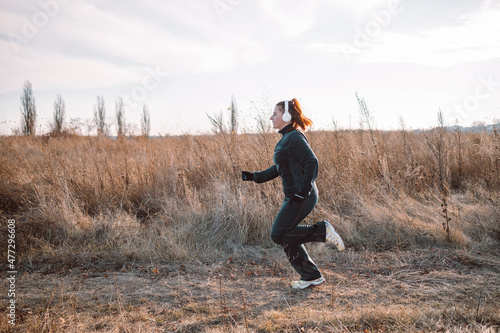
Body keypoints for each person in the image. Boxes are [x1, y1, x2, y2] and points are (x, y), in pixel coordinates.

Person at [241, 98, 345, 289]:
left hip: (301, 196)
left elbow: (312, 162)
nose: (271, 117)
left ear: (287, 116)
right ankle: (311, 276)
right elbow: (278, 168)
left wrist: (302, 192)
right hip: (295, 196)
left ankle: (323, 230)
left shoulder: (294, 137)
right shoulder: (286, 138)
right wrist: (253, 177)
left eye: (275, 114)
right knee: (287, 236)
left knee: (278, 234)